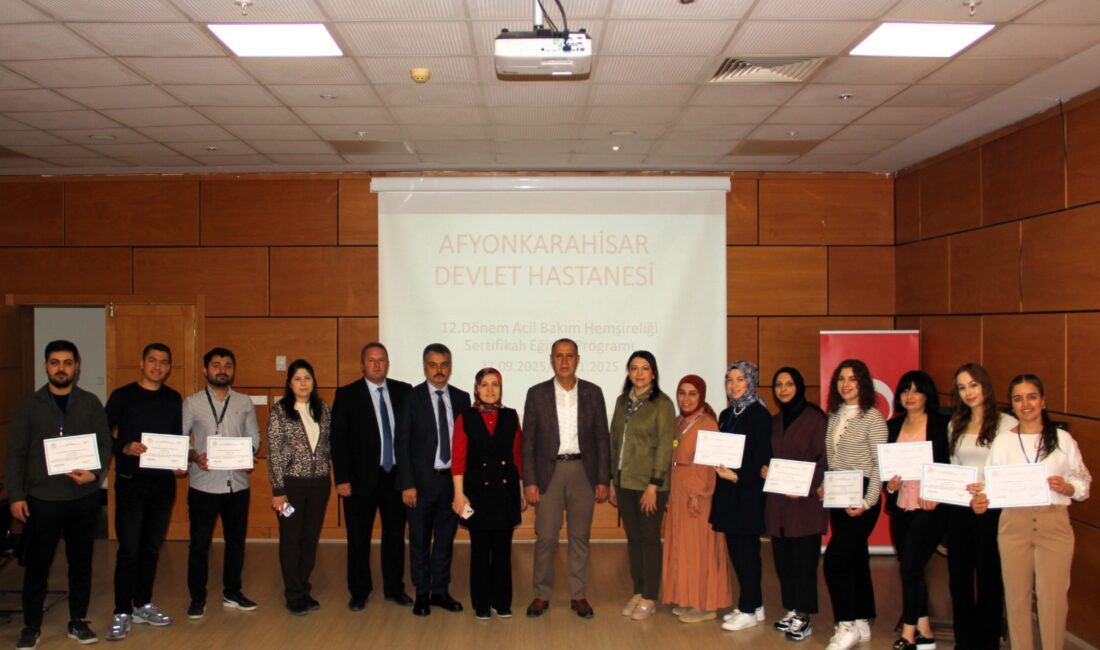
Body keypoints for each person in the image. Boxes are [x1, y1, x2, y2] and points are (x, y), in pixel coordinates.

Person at [972, 374, 1091, 650]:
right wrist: (981, 500)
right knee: (1016, 599)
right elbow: (989, 487)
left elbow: (1083, 483)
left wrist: (1068, 487)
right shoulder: (1002, 442)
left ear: (1043, 401)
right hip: (1014, 523)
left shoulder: (1062, 439)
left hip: (1054, 523)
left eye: (1031, 396)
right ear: (1011, 405)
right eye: (1018, 398)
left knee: (1053, 600)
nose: (1025, 404)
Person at [6, 340, 112, 648]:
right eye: (55, 362)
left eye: (67, 362)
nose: (61, 368)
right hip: (42, 499)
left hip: (83, 497)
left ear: (77, 366)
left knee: (81, 562)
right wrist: (16, 494)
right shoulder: (29, 405)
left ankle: (77, 621)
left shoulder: (90, 402)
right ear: (46, 366)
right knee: (38, 564)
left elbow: (104, 445)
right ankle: (31, 625)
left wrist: (94, 472)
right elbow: (16, 453)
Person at [521, 338, 609, 619]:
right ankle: (541, 594)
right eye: (559, 356)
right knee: (546, 537)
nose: (564, 361)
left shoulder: (593, 393)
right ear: (551, 359)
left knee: (579, 536)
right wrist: (530, 481)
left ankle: (578, 595)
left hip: (583, 471)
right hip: (549, 473)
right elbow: (529, 442)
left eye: (569, 356)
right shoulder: (537, 393)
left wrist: (603, 479)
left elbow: (601, 439)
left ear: (578, 359)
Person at [104, 343, 185, 641]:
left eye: (164, 362)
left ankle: (142, 604)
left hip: (163, 485)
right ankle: (121, 610)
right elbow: (102, 432)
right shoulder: (122, 396)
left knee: (151, 548)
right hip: (130, 482)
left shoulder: (173, 399)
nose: (157, 366)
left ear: (168, 367)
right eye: (152, 361)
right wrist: (122, 447)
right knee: (129, 550)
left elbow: (176, 438)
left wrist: (179, 462)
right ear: (141, 363)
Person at [331, 342, 413, 611]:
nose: (377, 364)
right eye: (371, 360)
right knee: (358, 538)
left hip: (395, 478)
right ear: (362, 364)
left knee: (394, 537)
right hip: (358, 480)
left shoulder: (404, 391)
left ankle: (394, 588)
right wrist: (341, 478)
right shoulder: (347, 395)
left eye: (382, 360)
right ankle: (359, 591)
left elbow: (411, 437)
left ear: (388, 363)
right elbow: (338, 440)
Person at [184, 347, 261, 619]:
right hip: (204, 485)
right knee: (200, 543)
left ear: (233, 370)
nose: (222, 369)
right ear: (206, 370)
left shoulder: (244, 402)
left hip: (237, 485)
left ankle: (233, 592)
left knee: (236, 542)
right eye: (216, 365)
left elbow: (255, 438)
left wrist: (248, 455)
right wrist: (194, 456)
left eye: (228, 365)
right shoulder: (192, 403)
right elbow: (180, 443)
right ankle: (197, 597)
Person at [395, 343, 470, 616]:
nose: (439, 370)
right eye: (433, 365)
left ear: (450, 366)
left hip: (452, 484)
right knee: (419, 541)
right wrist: (407, 483)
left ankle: (440, 591)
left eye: (444, 364)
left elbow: (467, 446)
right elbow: (401, 444)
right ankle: (422, 593)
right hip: (420, 484)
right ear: (425, 366)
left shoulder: (462, 399)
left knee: (445, 540)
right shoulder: (411, 398)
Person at [945, 363, 1014, 650]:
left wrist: (987, 491)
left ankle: (986, 642)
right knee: (959, 581)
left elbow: (1012, 470)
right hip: (961, 509)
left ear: (985, 385)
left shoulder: (1008, 424)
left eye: (973, 384)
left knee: (989, 580)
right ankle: (965, 641)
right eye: (962, 387)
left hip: (992, 509)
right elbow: (954, 466)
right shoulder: (954, 424)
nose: (968, 392)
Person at [821, 359, 888, 650]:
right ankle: (862, 617)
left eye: (852, 379)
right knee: (856, 558)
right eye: (841, 379)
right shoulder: (834, 415)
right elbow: (833, 458)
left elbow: (879, 466)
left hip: (862, 494)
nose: (845, 384)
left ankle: (846, 623)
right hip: (838, 491)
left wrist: (867, 501)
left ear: (863, 383)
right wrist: (826, 484)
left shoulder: (873, 418)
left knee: (836, 560)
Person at [451, 368, 527, 620]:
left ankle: (502, 601)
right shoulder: (466, 417)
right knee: (481, 551)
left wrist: (521, 489)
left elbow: (516, 457)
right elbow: (459, 459)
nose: (490, 390)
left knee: (503, 551)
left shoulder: (510, 416)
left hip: (505, 493)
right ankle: (481, 603)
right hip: (477, 495)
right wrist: (459, 495)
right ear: (476, 389)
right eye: (485, 385)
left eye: (495, 384)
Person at [883, 371, 949, 650]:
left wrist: (937, 494)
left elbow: (948, 466)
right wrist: (890, 486)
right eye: (905, 390)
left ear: (927, 395)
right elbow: (887, 471)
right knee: (911, 568)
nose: (910, 395)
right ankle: (925, 628)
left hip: (929, 508)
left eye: (916, 390)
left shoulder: (940, 425)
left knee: (910, 567)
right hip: (901, 507)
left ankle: (908, 632)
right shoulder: (893, 426)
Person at [608, 350, 675, 621]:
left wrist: (653, 486)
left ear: (653, 373)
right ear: (628, 372)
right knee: (633, 539)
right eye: (634, 368)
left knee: (649, 540)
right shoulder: (622, 401)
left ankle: (649, 596)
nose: (638, 373)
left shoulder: (663, 403)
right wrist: (613, 479)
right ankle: (638, 590)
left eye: (644, 368)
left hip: (650, 485)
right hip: (624, 481)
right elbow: (614, 442)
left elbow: (664, 447)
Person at [762, 367, 827, 642]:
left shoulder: (815, 418)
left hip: (805, 505)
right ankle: (791, 609)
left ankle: (804, 615)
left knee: (804, 562)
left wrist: (806, 487)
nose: (784, 389)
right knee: (783, 562)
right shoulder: (776, 421)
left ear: (799, 386)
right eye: (779, 385)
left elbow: (824, 459)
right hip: (779, 505)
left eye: (789, 384)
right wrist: (766, 470)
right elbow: (771, 456)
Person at [660, 375, 731, 623]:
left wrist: (698, 494)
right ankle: (687, 598)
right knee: (681, 544)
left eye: (692, 393)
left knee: (699, 547)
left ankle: (705, 604)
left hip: (698, 492)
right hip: (679, 488)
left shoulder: (708, 424)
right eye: (682, 392)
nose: (686, 398)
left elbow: (709, 463)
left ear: (701, 396)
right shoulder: (679, 421)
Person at [711, 360, 773, 632]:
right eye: (729, 380)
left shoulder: (759, 415)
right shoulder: (727, 415)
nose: (733, 385)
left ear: (751, 382)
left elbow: (762, 458)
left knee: (748, 553)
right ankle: (754, 605)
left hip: (747, 494)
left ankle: (748, 608)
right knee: (737, 551)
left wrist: (738, 476)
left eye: (740, 380)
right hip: (728, 494)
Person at [267, 359, 332, 616]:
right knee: (291, 539)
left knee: (309, 539)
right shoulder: (280, 411)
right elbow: (273, 452)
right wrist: (278, 490)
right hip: (291, 486)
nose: (303, 383)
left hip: (320, 484)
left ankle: (303, 588)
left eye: (307, 378)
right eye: (297, 378)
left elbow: (328, 444)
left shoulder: (323, 408)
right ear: (290, 383)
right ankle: (293, 594)